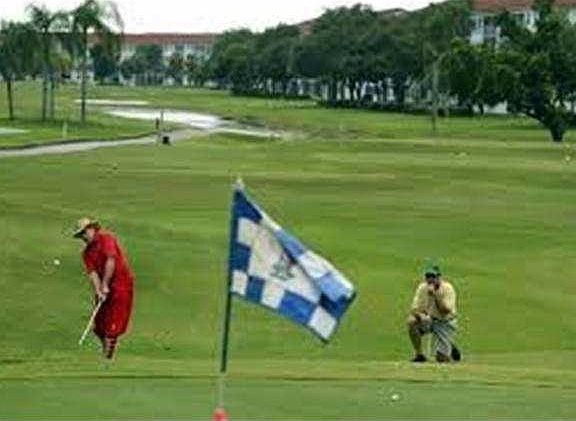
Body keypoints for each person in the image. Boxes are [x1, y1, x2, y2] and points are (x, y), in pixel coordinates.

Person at [73, 218, 135, 359]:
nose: (83, 237)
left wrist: (105, 284)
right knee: (99, 326)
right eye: (80, 235)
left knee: (112, 327)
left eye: (84, 233)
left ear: (92, 229)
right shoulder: (86, 253)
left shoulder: (107, 239)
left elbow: (110, 261)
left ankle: (107, 359)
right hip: (104, 286)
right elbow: (93, 273)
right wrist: (98, 290)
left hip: (121, 285)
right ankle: (106, 355)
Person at [407, 264, 461, 363]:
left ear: (439, 277)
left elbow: (446, 311)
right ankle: (419, 355)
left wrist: (435, 295)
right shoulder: (422, 288)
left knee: (441, 359)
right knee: (412, 322)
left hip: (445, 322)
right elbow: (414, 309)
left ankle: (449, 345)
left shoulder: (447, 288)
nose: (430, 279)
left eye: (433, 276)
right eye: (428, 276)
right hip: (430, 319)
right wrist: (421, 316)